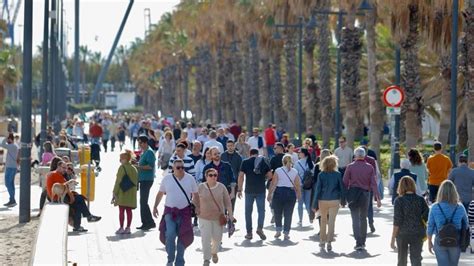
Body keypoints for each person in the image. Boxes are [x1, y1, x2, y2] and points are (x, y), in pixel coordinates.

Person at [153, 159, 199, 266]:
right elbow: (160, 193)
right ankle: (170, 259)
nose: (181, 169)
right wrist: (155, 206)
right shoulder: (167, 179)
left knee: (183, 236)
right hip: (170, 211)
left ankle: (179, 261)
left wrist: (198, 207)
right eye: (178, 167)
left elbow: (196, 195)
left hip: (185, 212)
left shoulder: (190, 178)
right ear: (173, 168)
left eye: (183, 167)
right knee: (170, 234)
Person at [343, 147, 382, 251]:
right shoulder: (369, 167)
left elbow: (345, 182)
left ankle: (358, 242)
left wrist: (343, 197)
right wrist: (378, 198)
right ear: (364, 155)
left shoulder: (350, 167)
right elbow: (373, 183)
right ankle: (363, 241)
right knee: (363, 218)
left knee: (355, 218)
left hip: (353, 194)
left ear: (355, 156)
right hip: (365, 194)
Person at [46, 160, 101, 232]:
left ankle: (79, 224)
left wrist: (73, 194)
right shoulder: (55, 174)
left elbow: (65, 188)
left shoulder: (56, 174)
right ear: (58, 167)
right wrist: (72, 196)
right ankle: (87, 217)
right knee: (80, 199)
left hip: (60, 197)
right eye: (63, 168)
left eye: (66, 168)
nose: (65, 170)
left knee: (78, 203)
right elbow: (65, 188)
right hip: (58, 198)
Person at [194, 168, 233, 265]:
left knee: (217, 239)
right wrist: (197, 209)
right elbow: (195, 200)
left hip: (218, 218)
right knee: (205, 239)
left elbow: (228, 202)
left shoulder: (221, 187)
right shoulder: (200, 187)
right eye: (210, 175)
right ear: (206, 177)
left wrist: (231, 215)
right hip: (204, 217)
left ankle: (214, 252)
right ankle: (206, 259)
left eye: (215, 175)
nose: (213, 177)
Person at [427, 180, 469, 266]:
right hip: (456, 240)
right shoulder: (460, 207)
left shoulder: (435, 207)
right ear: (454, 191)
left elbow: (430, 225)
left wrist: (429, 241)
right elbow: (466, 224)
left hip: (440, 239)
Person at [390, 176, 429, 266]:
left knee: (401, 259)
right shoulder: (420, 199)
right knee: (416, 259)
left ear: (401, 186)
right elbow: (427, 214)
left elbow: (397, 220)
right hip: (417, 233)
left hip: (402, 234)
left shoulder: (399, 200)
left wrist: (392, 238)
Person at [237, 148, 272, 240]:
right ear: (257, 154)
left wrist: (239, 189)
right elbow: (270, 176)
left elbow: (241, 176)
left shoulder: (245, 162)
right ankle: (260, 228)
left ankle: (249, 233)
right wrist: (263, 178)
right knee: (261, 211)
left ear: (250, 154)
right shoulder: (263, 161)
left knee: (248, 212)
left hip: (249, 190)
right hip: (260, 190)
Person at [312, 155, 344, 251]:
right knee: (331, 221)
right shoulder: (338, 174)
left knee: (323, 221)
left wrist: (314, 204)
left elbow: (317, 190)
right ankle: (329, 241)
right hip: (334, 200)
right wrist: (343, 200)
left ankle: (322, 240)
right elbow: (341, 188)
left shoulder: (321, 175)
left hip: (323, 200)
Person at [267, 154, 301, 240]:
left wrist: (270, 194)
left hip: (279, 192)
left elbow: (274, 183)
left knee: (277, 213)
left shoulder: (278, 170)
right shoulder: (295, 171)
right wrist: (298, 195)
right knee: (288, 214)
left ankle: (278, 230)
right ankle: (286, 233)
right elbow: (297, 185)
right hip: (290, 192)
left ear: (282, 161)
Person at [112, 150, 138, 234]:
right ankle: (128, 228)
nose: (120, 160)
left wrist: (114, 192)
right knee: (129, 210)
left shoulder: (122, 168)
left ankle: (121, 228)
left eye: (121, 159)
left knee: (121, 210)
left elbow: (118, 181)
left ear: (125, 159)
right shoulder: (134, 168)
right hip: (132, 192)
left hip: (123, 191)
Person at [136, 136, 157, 231]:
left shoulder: (149, 152)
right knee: (143, 202)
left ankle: (148, 222)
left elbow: (150, 166)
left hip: (147, 179)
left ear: (145, 143)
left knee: (143, 202)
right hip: (143, 179)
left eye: (140, 143)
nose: (139, 145)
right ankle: (147, 222)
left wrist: (138, 166)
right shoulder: (144, 152)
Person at [221, 140, 243, 211]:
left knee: (232, 201)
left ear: (234, 146)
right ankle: (224, 218)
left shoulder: (238, 156)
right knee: (223, 201)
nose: (230, 147)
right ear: (226, 146)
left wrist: (240, 186)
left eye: (231, 146)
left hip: (234, 182)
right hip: (224, 181)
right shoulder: (223, 155)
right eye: (228, 146)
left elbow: (240, 171)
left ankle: (231, 218)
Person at [295, 148, 314, 225]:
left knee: (300, 203)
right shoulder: (311, 162)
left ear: (303, 153)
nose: (298, 154)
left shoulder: (297, 163)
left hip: (299, 185)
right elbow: (313, 174)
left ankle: (300, 220)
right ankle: (310, 217)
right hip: (308, 185)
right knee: (308, 203)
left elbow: (295, 175)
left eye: (299, 152)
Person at [1, 133, 19, 207]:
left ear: (10, 139)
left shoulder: (12, 146)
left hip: (11, 168)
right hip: (10, 167)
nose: (7, 140)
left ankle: (12, 200)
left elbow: (2, 144)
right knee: (10, 184)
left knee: (8, 183)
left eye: (8, 139)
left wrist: (6, 137)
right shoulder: (12, 146)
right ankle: (12, 199)